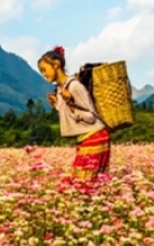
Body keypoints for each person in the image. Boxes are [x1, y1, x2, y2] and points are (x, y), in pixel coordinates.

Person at [38, 46, 110, 182]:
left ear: (56, 65)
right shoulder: (60, 89)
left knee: (81, 185)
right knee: (88, 185)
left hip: (95, 135)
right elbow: (70, 114)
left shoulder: (75, 86)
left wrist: (70, 102)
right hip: (85, 138)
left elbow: (91, 116)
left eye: (44, 70)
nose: (43, 74)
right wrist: (57, 105)